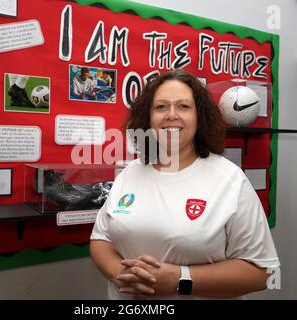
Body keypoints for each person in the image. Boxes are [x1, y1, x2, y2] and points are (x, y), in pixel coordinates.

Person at [90, 70, 280, 300]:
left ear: (200, 117)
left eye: (183, 106)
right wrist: (121, 273)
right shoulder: (130, 172)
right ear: (147, 118)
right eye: (161, 107)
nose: (171, 114)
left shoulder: (230, 180)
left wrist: (181, 279)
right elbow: (101, 239)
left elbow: (263, 273)